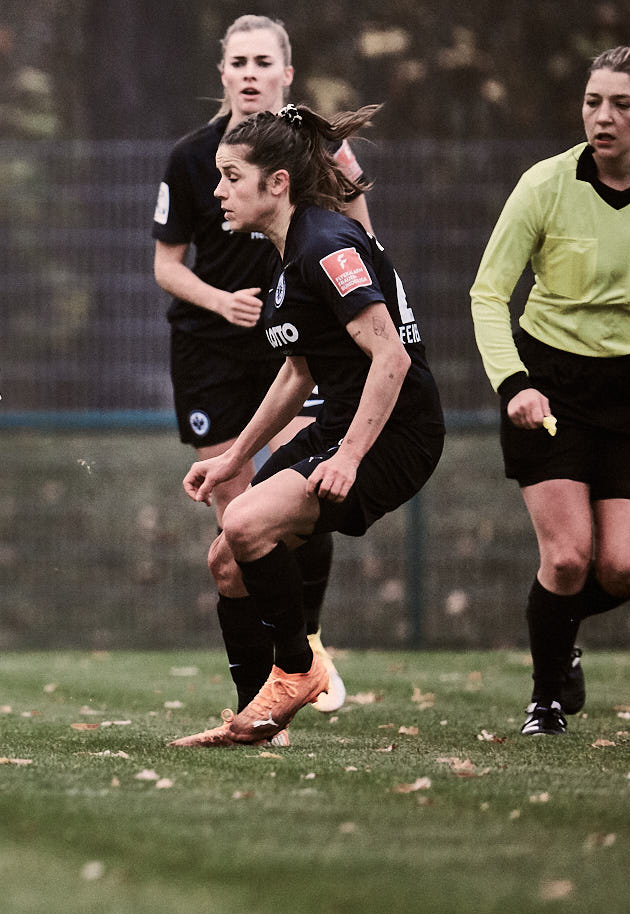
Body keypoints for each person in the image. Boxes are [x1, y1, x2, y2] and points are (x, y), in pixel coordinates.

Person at [168, 104, 442, 747]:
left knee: (244, 523)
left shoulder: (326, 245)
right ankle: (259, 723)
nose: (217, 191)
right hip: (345, 420)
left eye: (231, 177)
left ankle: (298, 667)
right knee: (227, 559)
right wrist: (232, 458)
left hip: (395, 431)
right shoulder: (288, 251)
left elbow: (392, 357)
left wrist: (348, 456)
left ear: (278, 183)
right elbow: (299, 373)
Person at [469, 46, 630, 738]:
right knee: (567, 557)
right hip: (551, 386)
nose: (604, 117)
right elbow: (487, 293)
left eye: (622, 104)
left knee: (625, 570)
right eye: (593, 102)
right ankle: (545, 702)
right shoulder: (544, 185)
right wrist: (514, 384)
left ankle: (557, 626)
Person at [153, 15, 369, 724]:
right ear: (222, 73)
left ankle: (306, 646)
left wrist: (346, 310)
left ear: (287, 74)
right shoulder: (191, 157)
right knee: (238, 517)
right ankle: (273, 678)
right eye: (238, 62)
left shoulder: (317, 153)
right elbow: (165, 266)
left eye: (263, 62)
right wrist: (222, 302)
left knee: (302, 496)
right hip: (212, 352)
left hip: (296, 352)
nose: (250, 73)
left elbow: (361, 238)